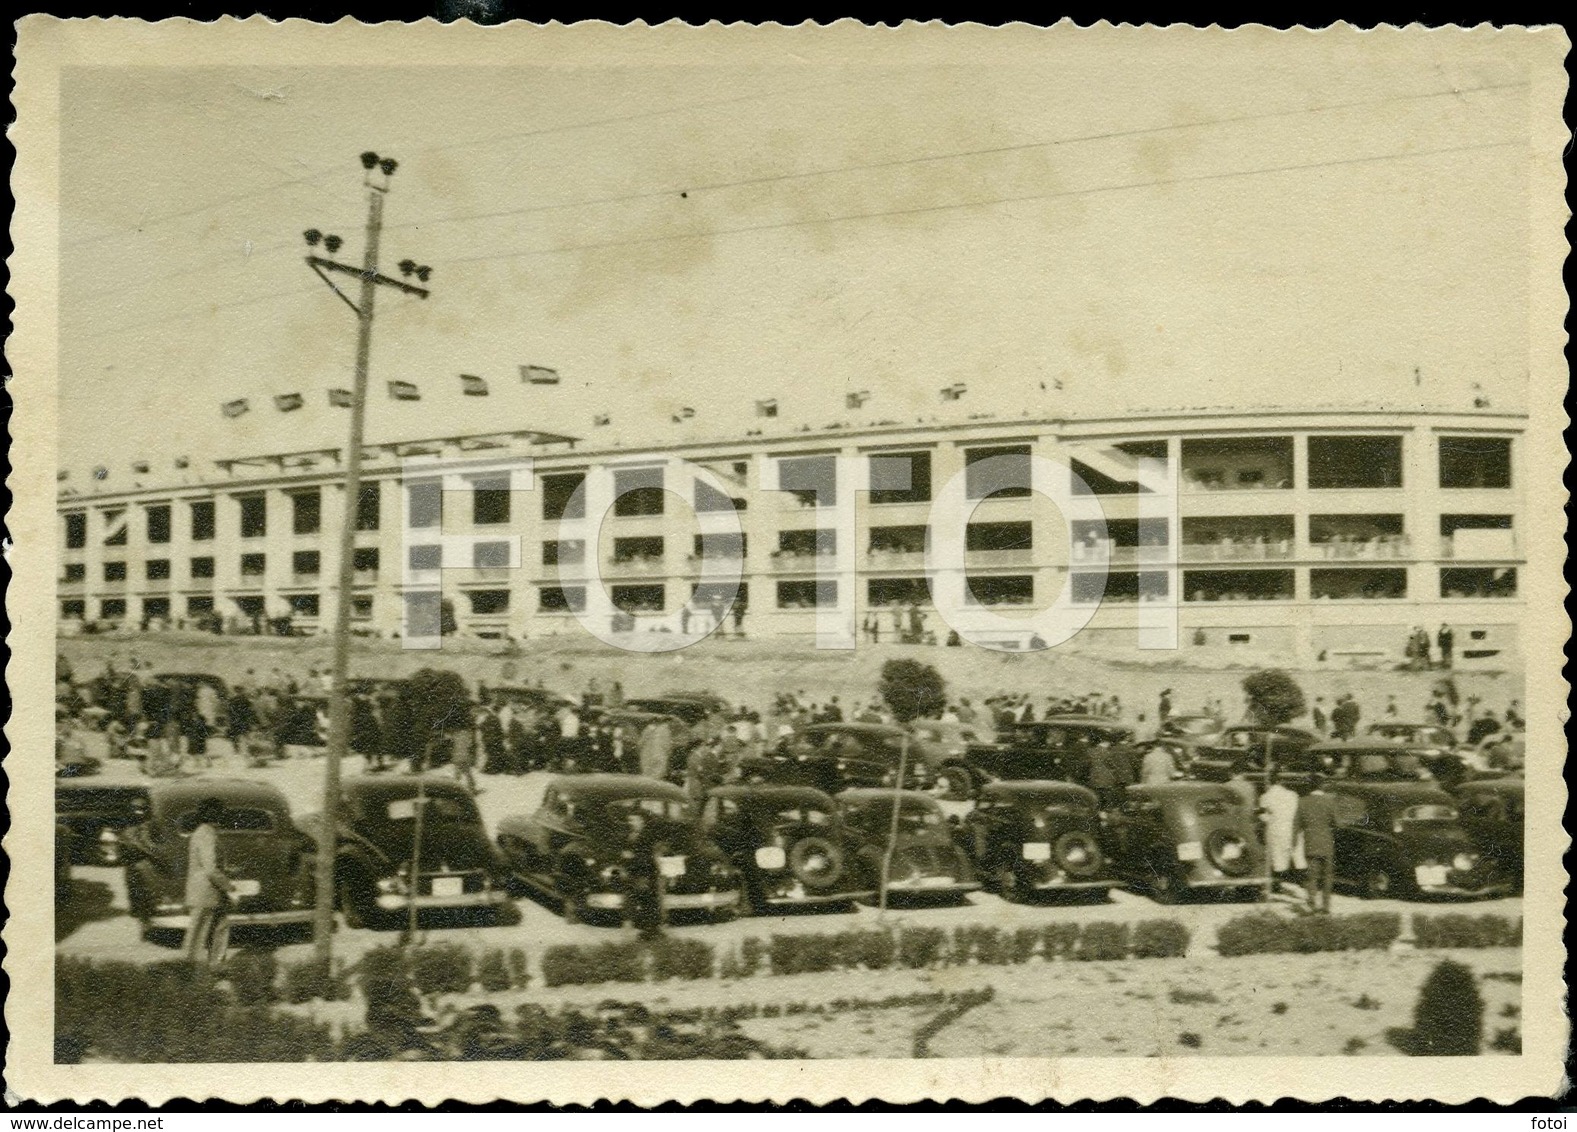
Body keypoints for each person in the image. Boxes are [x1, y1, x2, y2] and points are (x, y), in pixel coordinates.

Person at [184, 797, 233, 967]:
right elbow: (211, 869)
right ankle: (190, 970)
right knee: (198, 936)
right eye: (221, 812)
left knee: (221, 927)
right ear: (215, 815)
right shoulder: (207, 835)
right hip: (206, 893)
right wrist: (228, 885)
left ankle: (217, 965)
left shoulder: (204, 832)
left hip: (209, 892)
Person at [1294, 776, 1338, 915]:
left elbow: (1296, 826)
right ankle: (1326, 906)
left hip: (1310, 843)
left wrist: (1293, 843)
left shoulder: (1302, 802)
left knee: (1311, 876)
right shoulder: (1329, 802)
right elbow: (1337, 823)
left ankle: (1312, 904)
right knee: (1327, 875)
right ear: (1322, 787)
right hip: (1326, 843)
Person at [1258, 772, 1305, 897]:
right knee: (1297, 857)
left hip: (1277, 830)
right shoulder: (1292, 795)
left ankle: (1278, 885)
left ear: (1268, 783)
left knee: (1278, 858)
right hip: (1294, 829)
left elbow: (1263, 815)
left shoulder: (1266, 796)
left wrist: (1266, 818)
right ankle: (1300, 885)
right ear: (1280, 782)